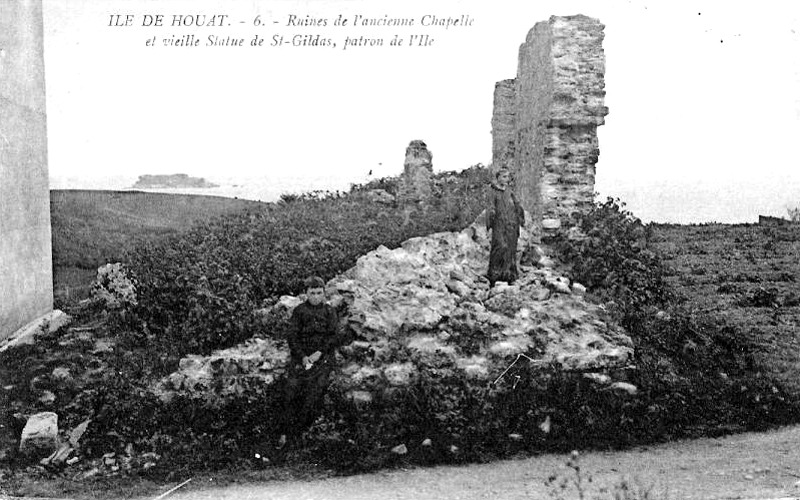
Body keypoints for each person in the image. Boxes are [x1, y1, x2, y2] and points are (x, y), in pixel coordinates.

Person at [276, 276, 341, 448]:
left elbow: (333, 336)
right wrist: (303, 356)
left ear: (324, 294)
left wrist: (319, 353)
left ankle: (300, 433)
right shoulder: (299, 311)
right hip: (301, 358)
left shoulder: (329, 312)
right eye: (312, 293)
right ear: (306, 293)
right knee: (291, 389)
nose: (316, 297)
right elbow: (292, 336)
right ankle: (285, 434)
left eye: (319, 293)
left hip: (323, 358)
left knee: (315, 392)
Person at [486, 167, 525, 286]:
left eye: (508, 177)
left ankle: (509, 275)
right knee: (500, 246)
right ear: (498, 177)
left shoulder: (509, 191)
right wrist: (490, 222)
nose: (506, 179)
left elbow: (517, 204)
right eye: (504, 176)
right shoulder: (492, 191)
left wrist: (520, 216)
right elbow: (491, 207)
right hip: (499, 224)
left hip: (511, 224)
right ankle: (495, 275)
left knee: (510, 248)